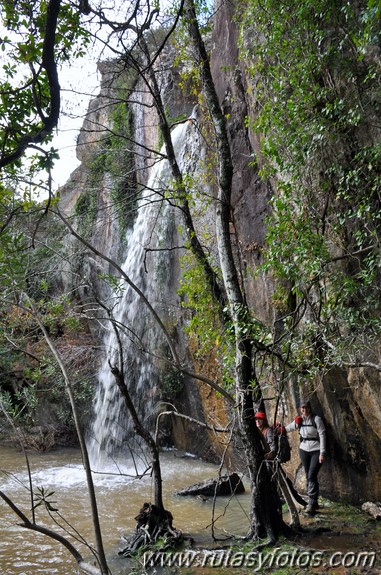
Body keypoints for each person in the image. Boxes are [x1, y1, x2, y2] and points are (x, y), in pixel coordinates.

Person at [286, 399, 326, 516]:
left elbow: (323, 435)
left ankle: (312, 503)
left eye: (306, 407)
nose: (305, 410)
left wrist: (322, 453)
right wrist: (277, 429)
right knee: (309, 474)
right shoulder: (299, 420)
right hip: (303, 449)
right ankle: (314, 502)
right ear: (300, 409)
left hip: (316, 450)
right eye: (302, 408)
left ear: (310, 408)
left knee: (312, 474)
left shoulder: (316, 419)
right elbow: (288, 428)